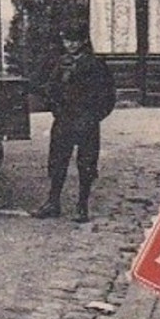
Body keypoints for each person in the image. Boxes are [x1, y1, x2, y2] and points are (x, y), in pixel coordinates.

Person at [31, 21, 117, 223]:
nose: (70, 44)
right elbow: (47, 88)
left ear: (83, 41)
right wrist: (55, 107)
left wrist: (94, 116)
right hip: (64, 120)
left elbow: (108, 96)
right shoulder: (60, 63)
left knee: (86, 165)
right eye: (67, 40)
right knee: (57, 161)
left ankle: (82, 206)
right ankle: (53, 202)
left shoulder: (96, 65)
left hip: (86, 121)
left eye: (74, 40)